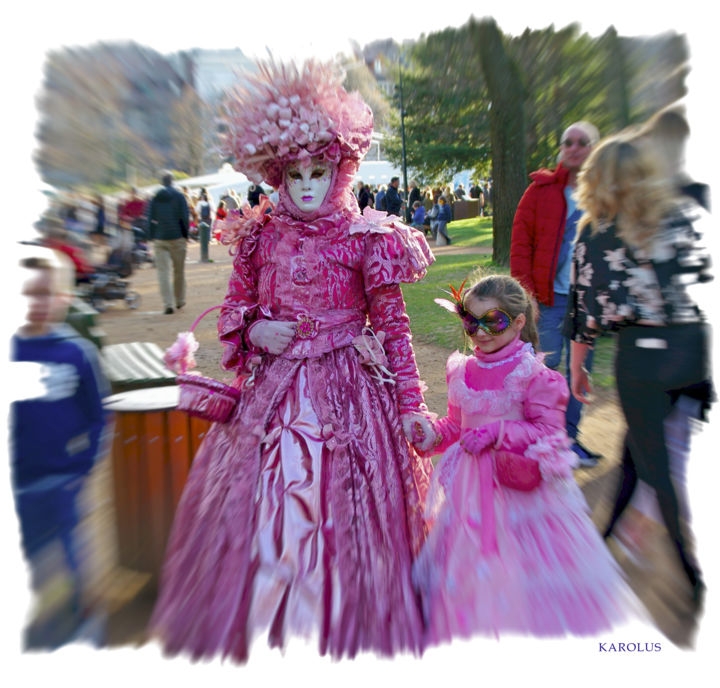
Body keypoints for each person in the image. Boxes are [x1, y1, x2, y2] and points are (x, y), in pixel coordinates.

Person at [150, 60, 436, 662]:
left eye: (319, 170)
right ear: (276, 173)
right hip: (273, 398)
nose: (307, 184)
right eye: (296, 173)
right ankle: (272, 630)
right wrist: (259, 326)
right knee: (267, 512)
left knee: (353, 518)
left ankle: (346, 632)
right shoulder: (259, 235)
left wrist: (410, 404)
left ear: (340, 167)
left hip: (351, 396)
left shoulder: (369, 236)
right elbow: (231, 311)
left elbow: (394, 327)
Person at [411, 274, 635, 643]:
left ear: (518, 322)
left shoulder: (534, 376)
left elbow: (549, 432)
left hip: (518, 491)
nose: (480, 332)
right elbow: (456, 426)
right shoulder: (462, 371)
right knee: (471, 570)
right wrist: (430, 433)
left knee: (520, 571)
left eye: (493, 321)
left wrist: (499, 433)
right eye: (470, 321)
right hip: (470, 492)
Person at [565, 136, 712, 606]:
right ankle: (604, 541)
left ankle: (692, 573)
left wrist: (578, 370)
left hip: (643, 359)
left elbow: (584, 312)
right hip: (695, 352)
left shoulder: (595, 230)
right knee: (638, 453)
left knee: (658, 469)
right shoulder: (680, 215)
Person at [11, 248, 111, 647]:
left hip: (62, 479)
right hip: (17, 482)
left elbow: (97, 414)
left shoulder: (75, 353)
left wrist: (83, 464)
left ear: (64, 298)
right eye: (26, 293)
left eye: (45, 293)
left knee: (70, 554)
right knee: (30, 557)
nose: (36, 302)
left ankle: (78, 621)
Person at [510, 120, 602, 466]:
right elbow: (520, 244)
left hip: (587, 303)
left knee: (580, 374)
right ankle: (531, 437)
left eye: (583, 142)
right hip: (549, 300)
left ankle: (568, 440)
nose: (574, 147)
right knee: (542, 368)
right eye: (568, 142)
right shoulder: (541, 191)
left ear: (595, 148)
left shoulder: (607, 193)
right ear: (562, 148)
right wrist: (526, 294)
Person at [147, 172, 189, 314]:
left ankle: (168, 303)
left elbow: (150, 219)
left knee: (163, 272)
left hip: (160, 237)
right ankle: (180, 300)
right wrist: (185, 235)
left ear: (162, 183)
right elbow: (184, 217)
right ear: (172, 182)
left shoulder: (155, 198)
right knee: (179, 271)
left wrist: (152, 235)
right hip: (177, 236)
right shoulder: (179, 196)